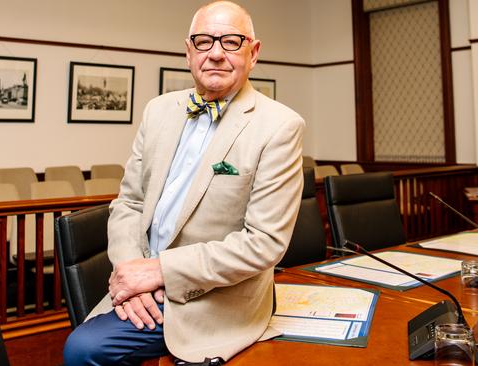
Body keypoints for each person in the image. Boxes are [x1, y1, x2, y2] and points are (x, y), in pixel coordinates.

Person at [63, 1, 304, 364]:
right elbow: (128, 203)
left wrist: (159, 271)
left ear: (253, 53)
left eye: (232, 42)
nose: (217, 54)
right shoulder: (157, 110)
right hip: (143, 283)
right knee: (83, 348)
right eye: (204, 42)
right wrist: (132, 274)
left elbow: (264, 242)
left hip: (218, 298)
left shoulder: (280, 127)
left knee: (84, 350)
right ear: (189, 52)